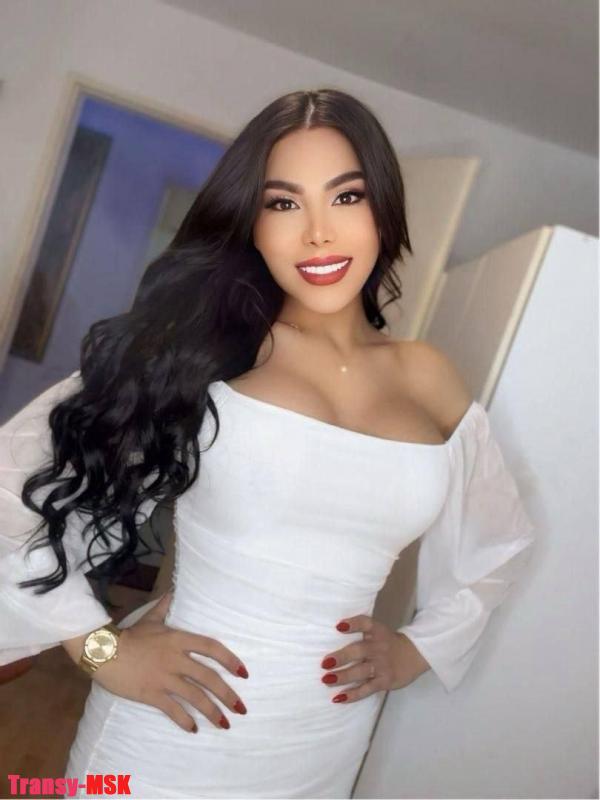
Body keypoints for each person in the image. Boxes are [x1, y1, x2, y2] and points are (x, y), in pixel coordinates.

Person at [0, 88, 536, 799]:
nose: (318, 233)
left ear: (382, 209)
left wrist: (416, 649)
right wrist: (100, 650)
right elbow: (11, 492)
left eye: (345, 197)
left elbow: (499, 543)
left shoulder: (428, 377)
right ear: (251, 224)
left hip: (325, 743)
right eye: (284, 203)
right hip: (171, 734)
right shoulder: (199, 353)